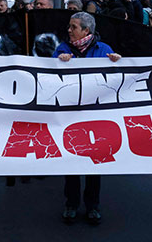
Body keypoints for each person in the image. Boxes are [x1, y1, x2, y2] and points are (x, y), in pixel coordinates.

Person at [53, 12, 121, 225]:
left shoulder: (104, 50)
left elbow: (116, 78)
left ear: (86, 31)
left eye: (74, 27)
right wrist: (58, 63)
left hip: (95, 116)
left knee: (93, 165)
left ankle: (93, 205)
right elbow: (50, 77)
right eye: (70, 26)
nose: (69, 30)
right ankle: (71, 204)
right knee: (71, 162)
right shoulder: (62, 49)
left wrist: (117, 63)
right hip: (70, 116)